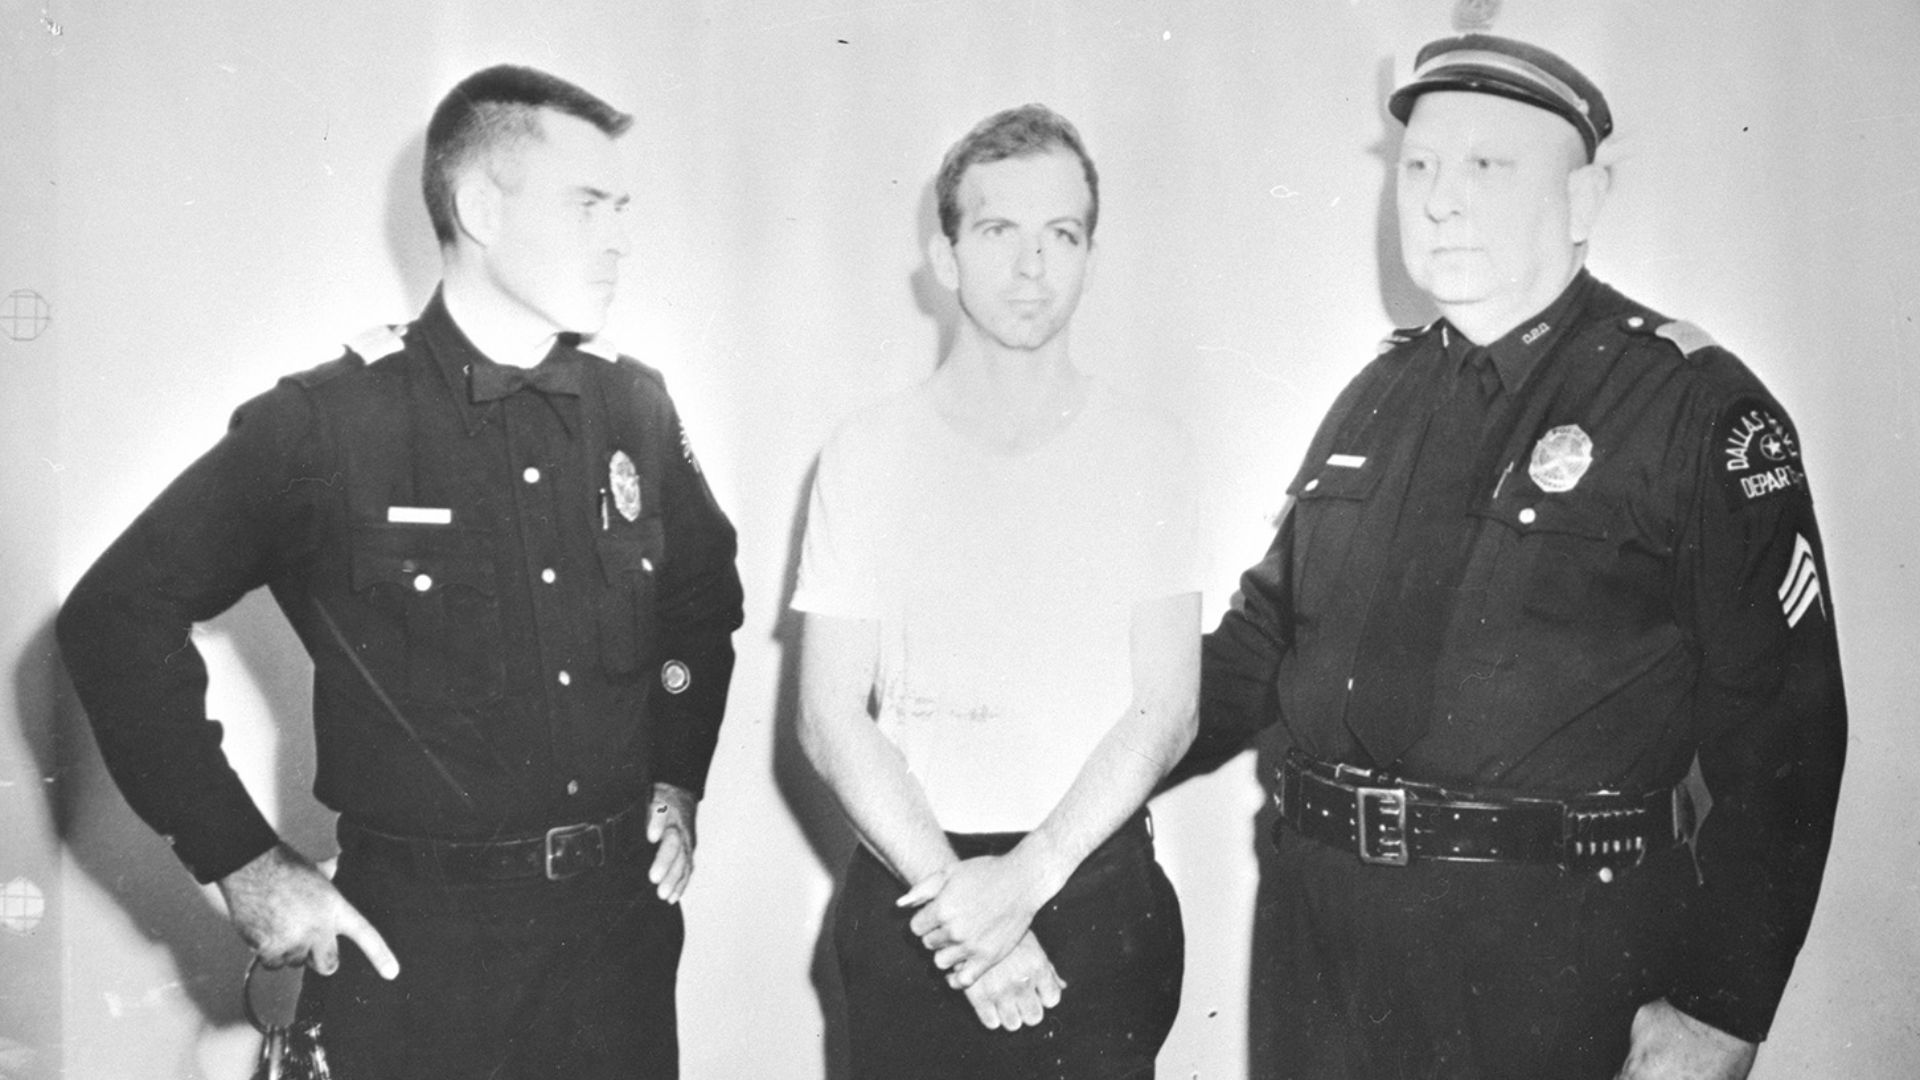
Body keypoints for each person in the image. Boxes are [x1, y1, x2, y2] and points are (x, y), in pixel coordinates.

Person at [1176, 34, 1848, 1080]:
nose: (1441, 201)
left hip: (1550, 962)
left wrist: (1722, 1012)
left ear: (1584, 201)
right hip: (1323, 949)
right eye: (1420, 168)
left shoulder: (1693, 410)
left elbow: (1790, 742)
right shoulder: (1375, 397)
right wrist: (1066, 776)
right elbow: (1260, 646)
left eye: (1488, 168)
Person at [56, 65, 743, 1078]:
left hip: (616, 951)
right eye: (586, 205)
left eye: (622, 208)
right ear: (479, 208)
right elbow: (115, 615)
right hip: (421, 957)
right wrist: (241, 861)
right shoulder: (331, 422)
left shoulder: (634, 409)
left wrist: (678, 776)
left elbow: (700, 604)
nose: (619, 237)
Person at [793, 104, 1200, 1079]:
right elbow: (826, 716)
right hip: (915, 889)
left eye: (1061, 235)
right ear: (945, 256)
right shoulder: (867, 453)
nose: (1032, 267)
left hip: (1091, 881)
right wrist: (964, 906)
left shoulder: (1147, 454)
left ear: (1090, 257)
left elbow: (1168, 707)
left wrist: (1027, 881)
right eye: (998, 231)